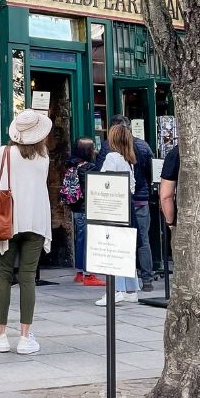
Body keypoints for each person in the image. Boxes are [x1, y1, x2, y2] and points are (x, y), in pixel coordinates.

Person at [0, 110, 52, 355]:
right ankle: (25, 336)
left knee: (3, 275)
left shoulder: (5, 152)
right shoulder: (44, 156)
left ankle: (0, 333)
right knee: (28, 276)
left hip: (8, 220)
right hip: (37, 219)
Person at [96, 116, 155, 290]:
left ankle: (121, 286)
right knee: (142, 240)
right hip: (140, 200)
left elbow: (102, 178)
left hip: (119, 205)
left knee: (119, 244)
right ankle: (146, 279)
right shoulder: (141, 147)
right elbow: (151, 171)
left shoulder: (109, 151)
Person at [95, 125, 141, 306]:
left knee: (113, 248)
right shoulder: (128, 159)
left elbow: (104, 181)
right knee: (126, 248)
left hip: (114, 208)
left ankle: (117, 290)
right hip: (127, 206)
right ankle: (131, 289)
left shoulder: (112, 157)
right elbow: (132, 186)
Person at [66, 138, 104, 287]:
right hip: (88, 208)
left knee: (80, 240)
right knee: (89, 241)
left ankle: (80, 272)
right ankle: (89, 274)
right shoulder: (90, 168)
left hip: (76, 208)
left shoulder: (71, 165)